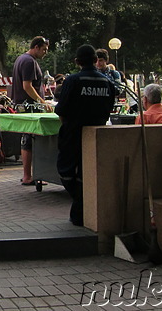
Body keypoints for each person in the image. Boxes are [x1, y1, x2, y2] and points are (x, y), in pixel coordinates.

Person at [55, 44, 116, 226]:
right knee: (86, 173)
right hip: (97, 134)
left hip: (73, 133)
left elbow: (62, 109)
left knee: (65, 171)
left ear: (76, 62)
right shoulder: (107, 82)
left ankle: (80, 205)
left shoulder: (73, 81)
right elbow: (109, 110)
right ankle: (82, 209)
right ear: (96, 60)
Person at [12, 36, 51, 185]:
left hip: (24, 105)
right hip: (30, 106)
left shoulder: (20, 59)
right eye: (44, 50)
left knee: (27, 139)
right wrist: (41, 102)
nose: (45, 53)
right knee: (31, 140)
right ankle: (29, 175)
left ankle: (29, 174)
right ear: (36, 47)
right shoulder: (29, 62)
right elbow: (27, 86)